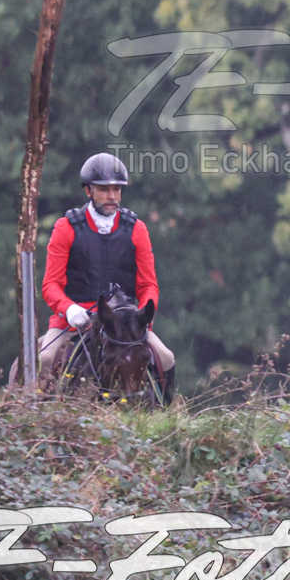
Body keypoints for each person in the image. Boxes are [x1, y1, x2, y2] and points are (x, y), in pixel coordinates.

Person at [38, 152, 176, 399]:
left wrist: (142, 317)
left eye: (117, 189)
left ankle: (167, 413)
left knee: (166, 358)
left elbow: (148, 285)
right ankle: (38, 416)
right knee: (46, 358)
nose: (112, 196)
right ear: (88, 191)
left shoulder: (137, 229)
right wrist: (70, 309)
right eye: (104, 189)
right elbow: (50, 285)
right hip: (75, 322)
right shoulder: (66, 228)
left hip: (125, 324)